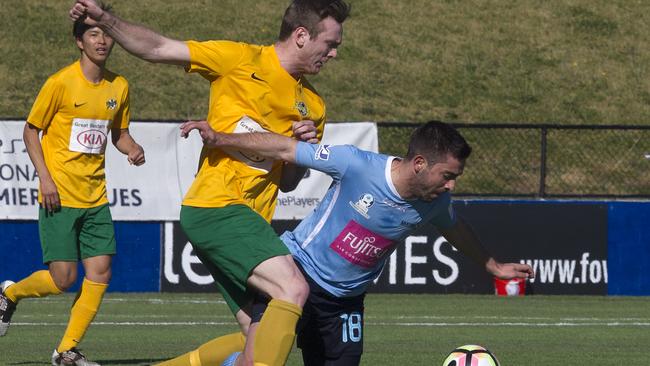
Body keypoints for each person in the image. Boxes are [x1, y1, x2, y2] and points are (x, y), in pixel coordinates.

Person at [68, 1, 351, 365]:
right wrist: (105, 19)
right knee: (293, 288)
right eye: (329, 43)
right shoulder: (239, 59)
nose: (334, 53)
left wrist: (300, 151)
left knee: (259, 332)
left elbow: (289, 184)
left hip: (249, 223)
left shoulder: (312, 105)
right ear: (301, 36)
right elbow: (158, 48)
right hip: (217, 206)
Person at [179, 120, 535, 366]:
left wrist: (492, 266)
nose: (451, 186)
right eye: (448, 176)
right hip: (295, 279)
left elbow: (456, 230)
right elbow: (286, 148)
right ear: (421, 164)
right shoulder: (357, 165)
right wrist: (221, 138)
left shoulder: (435, 202)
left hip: (345, 304)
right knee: (257, 361)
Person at [0, 3, 146, 366]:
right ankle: (10, 294)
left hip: (96, 198)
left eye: (106, 34)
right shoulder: (60, 83)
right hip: (59, 196)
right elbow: (31, 130)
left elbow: (119, 134)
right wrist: (45, 178)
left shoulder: (119, 86)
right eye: (94, 34)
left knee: (101, 272)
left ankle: (66, 350)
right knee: (62, 279)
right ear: (80, 42)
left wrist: (133, 148)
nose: (102, 41)